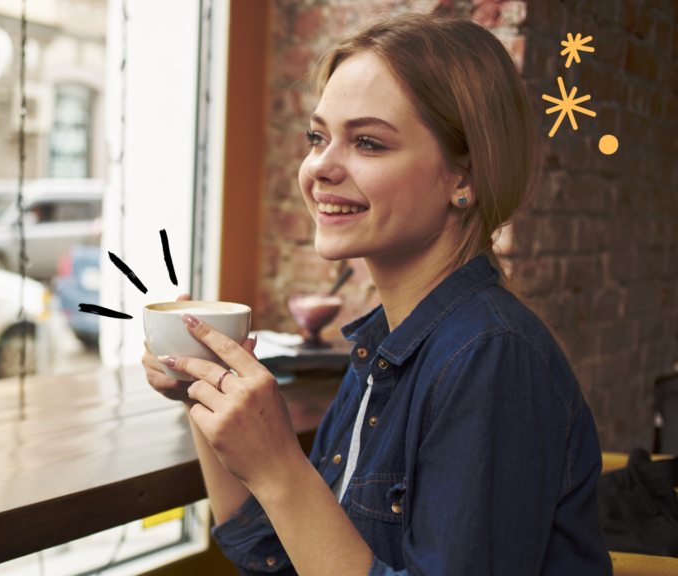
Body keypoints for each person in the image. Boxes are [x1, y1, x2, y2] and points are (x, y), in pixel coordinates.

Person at [140, 12, 611, 576]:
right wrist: (201, 390)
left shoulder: (492, 356)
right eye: (318, 137)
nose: (319, 167)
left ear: (465, 177)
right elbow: (276, 559)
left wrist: (281, 467)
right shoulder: (388, 345)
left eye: (367, 142)